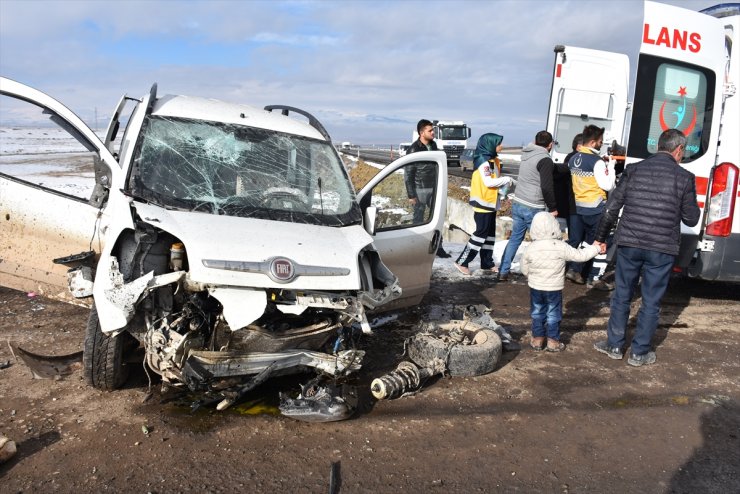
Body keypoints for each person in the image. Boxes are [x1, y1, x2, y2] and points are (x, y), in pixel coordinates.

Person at [593, 129, 700, 367]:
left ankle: (614, 345)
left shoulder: (633, 170)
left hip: (629, 244)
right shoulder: (684, 177)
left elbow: (611, 209)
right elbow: (692, 219)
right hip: (662, 248)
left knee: (622, 295)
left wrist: (600, 237)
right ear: (679, 149)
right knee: (651, 300)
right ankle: (639, 353)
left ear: (659, 146)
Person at [521, 212, 600, 351]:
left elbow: (524, 268)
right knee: (553, 313)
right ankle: (553, 341)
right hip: (554, 288)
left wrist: (531, 276)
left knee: (537, 312)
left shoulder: (531, 248)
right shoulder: (560, 246)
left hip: (536, 287)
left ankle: (537, 339)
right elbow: (580, 256)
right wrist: (596, 248)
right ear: (555, 226)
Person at [497, 130, 558, 281]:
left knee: (515, 239)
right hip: (533, 205)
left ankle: (503, 272)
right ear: (550, 145)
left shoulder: (526, 154)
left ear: (535, 141)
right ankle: (541, 273)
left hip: (518, 202)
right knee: (541, 241)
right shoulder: (545, 159)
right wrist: (553, 207)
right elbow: (546, 187)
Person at [565, 125, 616, 290]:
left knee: (586, 242)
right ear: (593, 142)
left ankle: (575, 269)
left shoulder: (574, 159)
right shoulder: (597, 161)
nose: (602, 144)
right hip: (595, 208)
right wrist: (612, 167)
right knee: (600, 242)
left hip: (579, 207)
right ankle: (595, 278)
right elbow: (607, 185)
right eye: (600, 141)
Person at [454, 133, 513, 275]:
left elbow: (494, 181)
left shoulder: (493, 160)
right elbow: (489, 182)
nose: (501, 146)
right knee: (480, 234)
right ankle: (462, 261)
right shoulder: (483, 162)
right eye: (499, 143)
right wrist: (506, 180)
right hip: (483, 204)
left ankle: (487, 263)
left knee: (489, 235)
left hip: (491, 203)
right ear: (490, 144)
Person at [405, 119, 451, 258]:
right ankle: (416, 248)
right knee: (418, 219)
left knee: (438, 219)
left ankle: (438, 247)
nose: (433, 133)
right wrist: (411, 195)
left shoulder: (434, 145)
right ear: (421, 132)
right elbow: (408, 174)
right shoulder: (413, 149)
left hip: (434, 189)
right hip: (420, 190)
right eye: (430, 131)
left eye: (433, 130)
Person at [554, 133, 581, 233]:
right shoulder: (575, 158)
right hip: (573, 202)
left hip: (571, 201)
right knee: (575, 234)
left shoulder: (571, 156)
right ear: (579, 147)